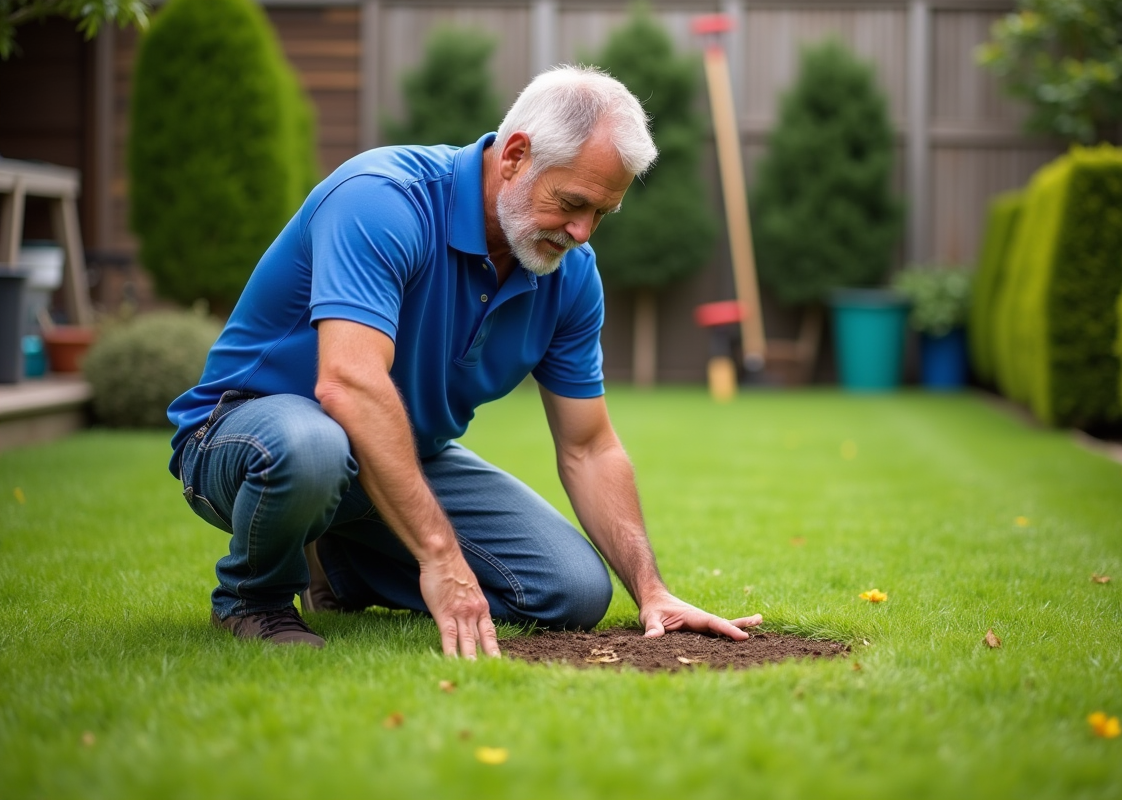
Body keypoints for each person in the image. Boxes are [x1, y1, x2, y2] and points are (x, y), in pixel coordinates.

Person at [167, 65, 762, 656]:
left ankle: (338, 564)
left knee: (572, 591)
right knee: (315, 448)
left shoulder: (570, 274)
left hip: (399, 457)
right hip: (244, 435)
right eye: (572, 203)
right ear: (515, 156)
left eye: (601, 213)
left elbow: (589, 446)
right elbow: (347, 384)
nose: (583, 233)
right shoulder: (382, 201)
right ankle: (254, 600)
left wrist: (652, 591)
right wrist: (441, 558)